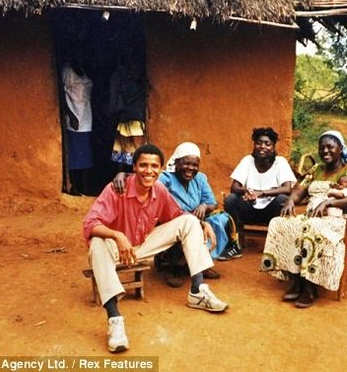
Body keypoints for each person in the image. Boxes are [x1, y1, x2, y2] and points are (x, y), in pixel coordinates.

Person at [83, 144, 228, 353]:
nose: (148, 171)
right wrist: (117, 235)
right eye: (143, 165)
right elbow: (90, 224)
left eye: (154, 166)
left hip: (142, 246)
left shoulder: (159, 189)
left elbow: (178, 217)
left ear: (161, 169)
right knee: (97, 242)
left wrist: (202, 223)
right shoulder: (117, 189)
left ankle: (198, 290)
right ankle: (115, 320)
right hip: (114, 250)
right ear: (134, 167)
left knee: (189, 221)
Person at [259, 130, 347, 308]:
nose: (325, 151)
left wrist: (329, 202)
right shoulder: (316, 169)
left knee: (311, 227)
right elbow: (299, 191)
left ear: (340, 148)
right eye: (322, 147)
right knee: (280, 223)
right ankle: (296, 279)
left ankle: (310, 286)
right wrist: (290, 202)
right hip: (313, 217)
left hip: (344, 221)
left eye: (330, 147)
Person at [113, 142, 236, 287]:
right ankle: (175, 268)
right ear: (176, 162)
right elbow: (145, 178)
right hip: (172, 219)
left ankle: (202, 265)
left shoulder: (200, 178)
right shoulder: (166, 178)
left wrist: (203, 206)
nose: (191, 168)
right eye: (186, 163)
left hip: (195, 219)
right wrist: (122, 174)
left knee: (221, 219)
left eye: (195, 165)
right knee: (181, 227)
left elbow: (212, 202)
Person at [222, 127, 297, 260]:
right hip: (249, 208)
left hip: (271, 211)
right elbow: (234, 187)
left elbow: (287, 189)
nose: (262, 146)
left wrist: (261, 193)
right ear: (254, 145)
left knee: (282, 199)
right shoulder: (247, 161)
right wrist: (248, 192)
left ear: (273, 147)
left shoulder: (280, 163)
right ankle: (234, 245)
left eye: (267, 144)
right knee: (231, 199)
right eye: (259, 143)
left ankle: (279, 248)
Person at [108, 57, 147, 172]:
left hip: (135, 119)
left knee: (130, 150)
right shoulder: (127, 83)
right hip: (130, 119)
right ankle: (123, 176)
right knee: (126, 150)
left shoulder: (135, 82)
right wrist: (143, 91)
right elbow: (127, 100)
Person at [62, 61, 94, 195]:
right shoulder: (68, 71)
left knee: (85, 154)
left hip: (86, 116)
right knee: (75, 154)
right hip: (75, 118)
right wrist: (70, 114)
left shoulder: (82, 69)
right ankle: (75, 186)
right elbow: (62, 94)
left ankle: (84, 187)